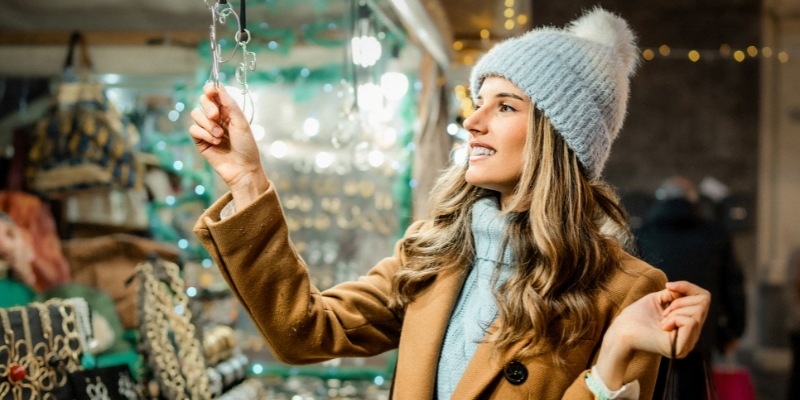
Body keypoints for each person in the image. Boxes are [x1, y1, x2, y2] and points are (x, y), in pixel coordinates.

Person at [190, 7, 710, 399]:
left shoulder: (625, 292)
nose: (473, 121)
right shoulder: (433, 252)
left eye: (504, 106)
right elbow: (303, 329)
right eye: (477, 101)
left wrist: (613, 359)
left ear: (560, 136)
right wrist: (247, 180)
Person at [635, 176, 747, 399]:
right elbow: (733, 286)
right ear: (694, 201)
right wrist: (732, 331)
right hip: (700, 332)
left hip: (653, 331)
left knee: (652, 391)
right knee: (692, 392)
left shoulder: (641, 234)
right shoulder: (716, 234)